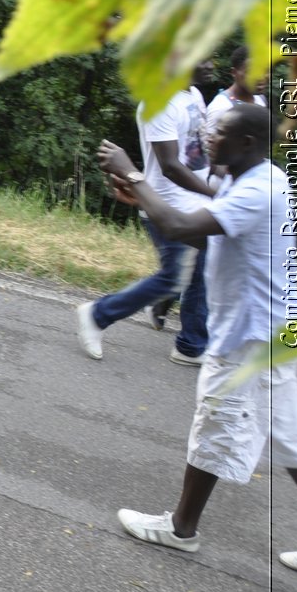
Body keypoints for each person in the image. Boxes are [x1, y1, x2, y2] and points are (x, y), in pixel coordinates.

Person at [97, 103, 297, 573]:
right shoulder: (256, 177)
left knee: (215, 420)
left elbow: (179, 227)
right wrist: (142, 196)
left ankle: (180, 529)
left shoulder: (258, 191)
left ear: (247, 142)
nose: (208, 136)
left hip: (253, 334)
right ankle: (182, 527)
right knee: (290, 436)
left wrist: (134, 175)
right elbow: (210, 235)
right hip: (276, 328)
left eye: (219, 132)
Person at [76, 62, 215, 365]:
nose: (210, 64)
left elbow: (196, 153)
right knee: (173, 278)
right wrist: (216, 194)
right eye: (203, 56)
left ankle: (191, 345)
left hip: (195, 202)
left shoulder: (193, 94)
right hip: (165, 206)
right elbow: (171, 167)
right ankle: (97, 315)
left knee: (198, 274)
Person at [204, 46, 266, 139]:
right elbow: (209, 149)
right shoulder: (222, 107)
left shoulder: (260, 99)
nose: (261, 77)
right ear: (234, 73)